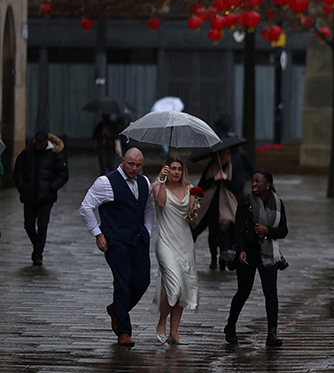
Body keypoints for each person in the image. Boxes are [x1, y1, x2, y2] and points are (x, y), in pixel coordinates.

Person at [79, 148, 154, 347]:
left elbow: (148, 208)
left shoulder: (145, 182)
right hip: (116, 241)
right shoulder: (105, 182)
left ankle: (116, 310)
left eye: (138, 165)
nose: (134, 168)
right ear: (123, 161)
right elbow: (86, 207)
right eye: (131, 164)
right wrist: (98, 234)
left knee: (143, 281)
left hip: (139, 240)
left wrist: (147, 231)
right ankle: (124, 331)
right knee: (122, 284)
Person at [224, 170, 288, 348]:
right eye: (252, 181)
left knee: (271, 292)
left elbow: (283, 230)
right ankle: (230, 326)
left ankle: (272, 333)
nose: (254, 184)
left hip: (268, 253)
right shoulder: (246, 202)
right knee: (243, 291)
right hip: (248, 252)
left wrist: (268, 231)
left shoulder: (278, 203)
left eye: (258, 181)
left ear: (268, 184)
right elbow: (238, 228)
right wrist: (241, 250)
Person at [151, 157, 200, 344]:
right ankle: (162, 321)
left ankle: (174, 331)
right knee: (174, 287)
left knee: (183, 289)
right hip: (165, 243)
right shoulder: (157, 185)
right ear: (167, 169)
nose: (177, 172)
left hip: (185, 243)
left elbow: (191, 218)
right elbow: (161, 203)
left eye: (179, 168)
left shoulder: (190, 188)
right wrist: (163, 181)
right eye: (173, 168)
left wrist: (193, 211)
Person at [13, 130, 69, 266]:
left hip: (46, 198)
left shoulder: (55, 155)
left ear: (46, 141)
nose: (38, 144)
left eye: (40, 141)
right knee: (29, 226)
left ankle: (37, 254)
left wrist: (51, 187)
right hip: (29, 196)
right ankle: (37, 246)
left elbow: (63, 174)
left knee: (42, 225)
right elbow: (18, 171)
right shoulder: (27, 153)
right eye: (36, 141)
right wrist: (22, 187)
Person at [192, 146, 242, 270]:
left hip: (226, 206)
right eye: (225, 153)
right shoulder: (211, 167)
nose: (227, 156)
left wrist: (226, 180)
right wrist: (215, 178)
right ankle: (214, 259)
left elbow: (237, 187)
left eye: (229, 154)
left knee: (224, 233)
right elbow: (202, 185)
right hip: (211, 205)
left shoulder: (233, 168)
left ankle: (223, 260)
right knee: (212, 233)